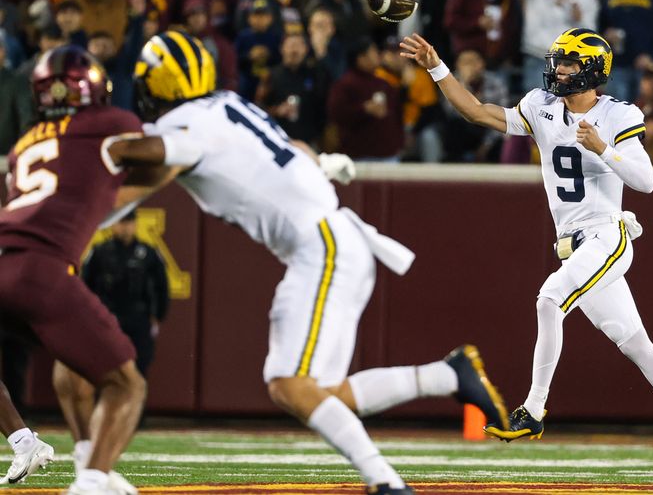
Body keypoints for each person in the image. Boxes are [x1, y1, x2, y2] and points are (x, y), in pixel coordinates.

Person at [54, 30, 510, 495]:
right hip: (338, 241)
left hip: (321, 249)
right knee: (320, 393)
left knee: (288, 383)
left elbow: (159, 156)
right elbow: (295, 149)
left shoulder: (184, 125)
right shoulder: (230, 104)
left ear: (153, 85)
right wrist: (321, 166)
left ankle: (387, 484)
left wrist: (103, 149)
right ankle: (446, 376)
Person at [400, 28, 653, 474]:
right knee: (635, 344)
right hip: (574, 246)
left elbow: (647, 182)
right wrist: (437, 67)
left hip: (607, 236)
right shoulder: (541, 106)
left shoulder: (619, 114)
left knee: (550, 299)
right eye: (557, 61)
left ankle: (532, 411)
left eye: (569, 64)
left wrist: (604, 149)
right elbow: (478, 112)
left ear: (593, 71)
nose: (559, 70)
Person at [0, 45, 185, 494]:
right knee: (126, 384)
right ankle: (93, 481)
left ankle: (57, 449)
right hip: (41, 267)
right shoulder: (108, 123)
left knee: (73, 360)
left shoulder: (26, 140)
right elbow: (162, 154)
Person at [82, 210, 169, 378]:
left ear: (135, 224)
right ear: (113, 224)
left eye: (129, 222)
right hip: (108, 317)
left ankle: (136, 405)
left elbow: (162, 287)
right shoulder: (100, 252)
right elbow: (85, 285)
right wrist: (91, 316)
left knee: (139, 371)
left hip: (138, 318)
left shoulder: (148, 253)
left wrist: (158, 315)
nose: (125, 227)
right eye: (121, 222)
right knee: (106, 372)